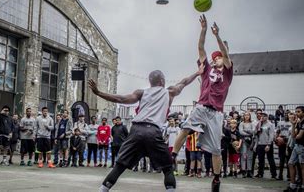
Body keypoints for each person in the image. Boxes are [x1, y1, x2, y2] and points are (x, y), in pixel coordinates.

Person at [89, 61, 203, 191]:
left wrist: (99, 93)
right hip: (152, 131)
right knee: (167, 167)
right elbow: (184, 82)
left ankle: (103, 189)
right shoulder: (169, 91)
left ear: (150, 82)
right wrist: (198, 73)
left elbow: (120, 99)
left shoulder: (141, 93)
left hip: (136, 130)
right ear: (162, 81)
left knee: (120, 165)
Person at [172, 14, 233, 192]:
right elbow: (200, 47)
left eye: (219, 57)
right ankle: (173, 157)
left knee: (215, 149)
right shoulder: (207, 69)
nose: (216, 59)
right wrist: (204, 30)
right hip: (201, 106)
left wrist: (217, 36)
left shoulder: (228, 72)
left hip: (216, 113)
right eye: (215, 57)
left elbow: (227, 55)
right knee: (185, 128)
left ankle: (216, 178)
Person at [286, 106, 304, 192]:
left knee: (303, 165)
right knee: (290, 163)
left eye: (299, 112)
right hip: (297, 146)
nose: (297, 113)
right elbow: (293, 136)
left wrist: (296, 135)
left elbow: (299, 136)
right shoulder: (299, 122)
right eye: (296, 112)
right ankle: (292, 185)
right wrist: (293, 124)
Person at [254, 113, 277, 179]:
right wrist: (256, 144)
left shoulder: (270, 125)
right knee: (260, 160)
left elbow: (271, 135)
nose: (263, 117)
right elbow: (255, 134)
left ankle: (274, 174)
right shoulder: (259, 124)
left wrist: (269, 144)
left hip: (267, 144)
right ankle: (260, 173)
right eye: (262, 116)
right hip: (260, 144)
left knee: (270, 159)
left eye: (264, 116)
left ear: (267, 117)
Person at [276, 111, 292, 180]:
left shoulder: (292, 123)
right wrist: (276, 138)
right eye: (285, 114)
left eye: (287, 114)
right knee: (281, 159)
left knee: (289, 160)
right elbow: (277, 131)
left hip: (289, 142)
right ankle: (280, 175)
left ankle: (289, 175)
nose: (286, 115)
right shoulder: (280, 123)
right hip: (281, 142)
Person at [239, 112, 255, 178]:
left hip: (251, 141)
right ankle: (243, 171)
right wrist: (249, 133)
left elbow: (253, 131)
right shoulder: (241, 123)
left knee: (250, 157)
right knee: (243, 156)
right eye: (245, 115)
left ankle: (249, 171)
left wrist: (246, 130)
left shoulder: (252, 123)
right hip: (244, 141)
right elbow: (241, 132)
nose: (246, 116)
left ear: (250, 116)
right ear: (244, 116)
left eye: (248, 115)